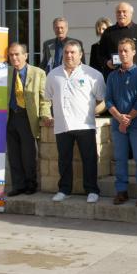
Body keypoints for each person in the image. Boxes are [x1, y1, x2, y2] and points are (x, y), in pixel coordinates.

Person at [44, 40, 106, 203]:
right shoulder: (53, 75)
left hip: (85, 125)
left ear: (80, 54)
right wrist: (48, 115)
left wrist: (91, 113)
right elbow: (48, 98)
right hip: (62, 125)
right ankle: (64, 189)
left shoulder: (93, 74)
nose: (69, 55)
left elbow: (103, 100)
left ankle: (92, 190)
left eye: (73, 52)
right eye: (66, 52)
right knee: (64, 160)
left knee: (89, 159)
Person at [105, 38, 137, 207]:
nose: (123, 54)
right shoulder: (112, 76)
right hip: (118, 125)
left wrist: (128, 118)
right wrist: (119, 118)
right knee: (120, 159)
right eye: (120, 51)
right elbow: (108, 100)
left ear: (133, 52)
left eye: (126, 50)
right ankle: (121, 191)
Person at [6, 43, 51, 196]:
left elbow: (44, 98)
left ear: (25, 55)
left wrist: (46, 115)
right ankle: (18, 186)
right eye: (11, 55)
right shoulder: (6, 73)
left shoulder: (38, 73)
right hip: (10, 117)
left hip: (27, 117)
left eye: (17, 54)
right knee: (13, 154)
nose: (14, 58)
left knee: (28, 154)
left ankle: (30, 184)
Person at [99, 1, 137, 78]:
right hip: (115, 77)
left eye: (124, 12)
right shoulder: (108, 32)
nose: (121, 14)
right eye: (118, 12)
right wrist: (107, 62)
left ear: (131, 14)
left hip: (136, 76)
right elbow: (100, 54)